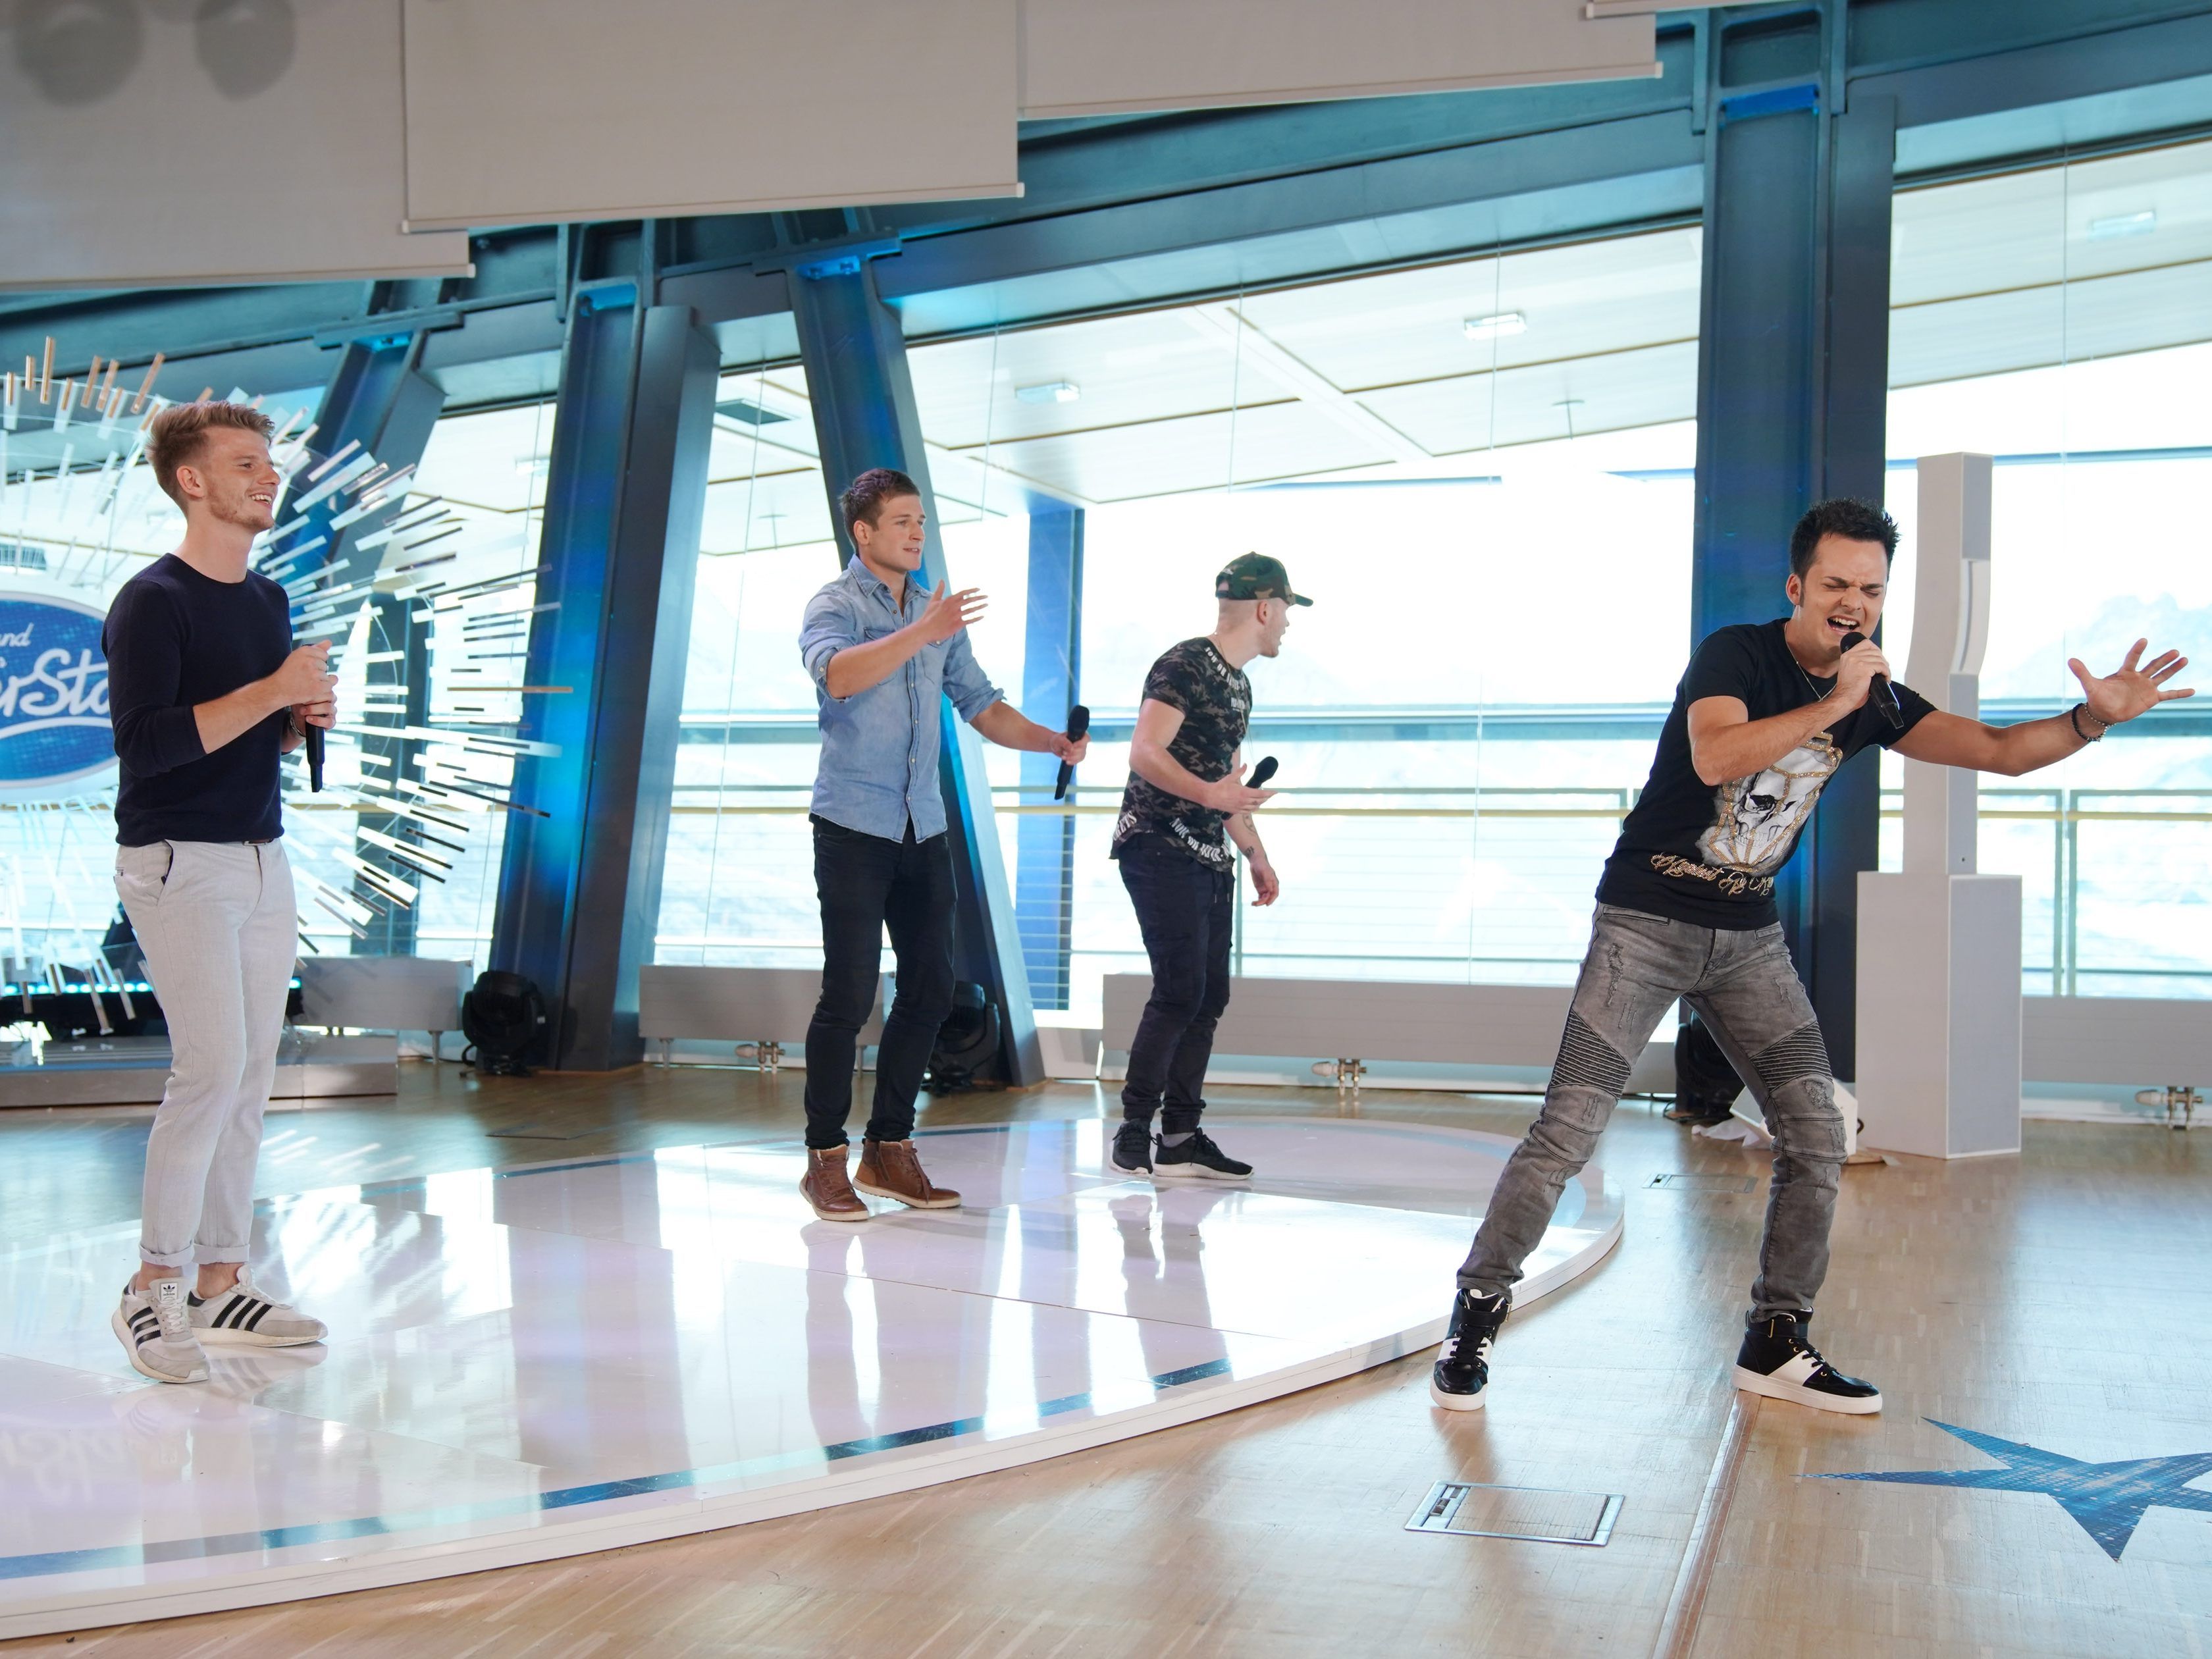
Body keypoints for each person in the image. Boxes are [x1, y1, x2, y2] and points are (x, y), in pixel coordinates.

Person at [1431, 498, 2191, 1417]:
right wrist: (1834, 703)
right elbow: (1714, 756)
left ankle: (1776, 1340)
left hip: (1748, 940)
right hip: (1644, 926)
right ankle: (1477, 1310)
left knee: (1819, 1129)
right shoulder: (1737, 655)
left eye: (1871, 589)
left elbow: (1996, 750)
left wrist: (2091, 719)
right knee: (1569, 1129)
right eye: (1836, 584)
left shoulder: (1876, 697)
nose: (1854, 602)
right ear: (1799, 587)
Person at [104, 401, 340, 1385]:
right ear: (192, 481)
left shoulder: (267, 602)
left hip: (258, 854)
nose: (267, 476)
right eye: (247, 463)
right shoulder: (152, 601)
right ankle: (149, 1288)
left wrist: (295, 720)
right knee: (208, 1069)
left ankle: (219, 1281)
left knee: (249, 1075)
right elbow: (148, 746)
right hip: (175, 859)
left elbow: (246, 728)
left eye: (268, 462)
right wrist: (274, 691)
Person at [795, 467, 1087, 1222]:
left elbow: (981, 706)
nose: (918, 534)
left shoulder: (933, 613)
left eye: (921, 521)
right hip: (853, 827)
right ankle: (824, 1158)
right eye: (902, 523)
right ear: (864, 534)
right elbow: (838, 677)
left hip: (922, 827)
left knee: (931, 989)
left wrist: (1050, 741)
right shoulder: (837, 605)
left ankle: (889, 1149)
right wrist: (924, 629)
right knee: (850, 994)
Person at [1107, 554, 1300, 1181]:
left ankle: (1182, 1135)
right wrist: (1214, 798)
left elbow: (1226, 783)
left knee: (1209, 994)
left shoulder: (1240, 684)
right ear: (1266, 608)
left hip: (1209, 852)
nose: (1289, 626)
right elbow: (1144, 751)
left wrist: (1257, 853)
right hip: (1158, 843)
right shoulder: (1184, 663)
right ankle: (1135, 1129)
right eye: (1288, 612)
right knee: (1180, 990)